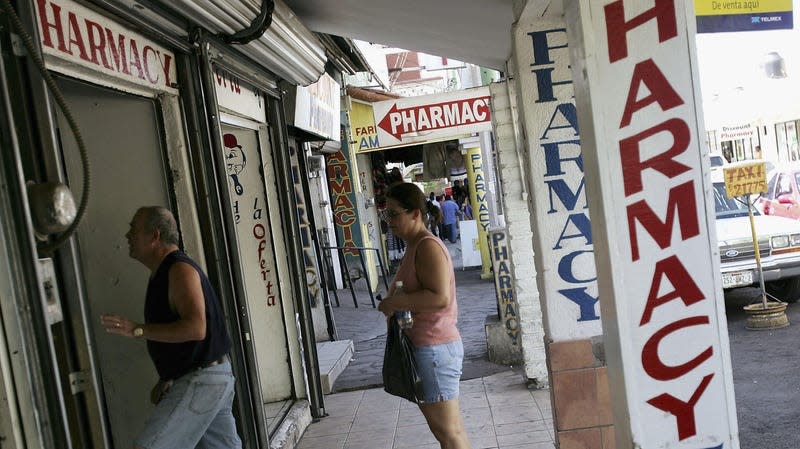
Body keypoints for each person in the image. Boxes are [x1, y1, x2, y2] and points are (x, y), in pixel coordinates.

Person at [101, 206, 241, 449]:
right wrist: (168, 377)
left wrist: (138, 329)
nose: (128, 236)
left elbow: (196, 328)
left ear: (155, 236)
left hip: (202, 380)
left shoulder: (179, 270)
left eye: (133, 229)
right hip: (208, 378)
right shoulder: (164, 272)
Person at [377, 183, 470, 449]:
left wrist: (395, 302)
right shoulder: (415, 246)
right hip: (429, 348)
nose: (389, 221)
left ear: (415, 213)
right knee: (449, 433)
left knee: (450, 434)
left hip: (435, 349)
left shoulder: (427, 246)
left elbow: (440, 298)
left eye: (394, 214)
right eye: (386, 214)